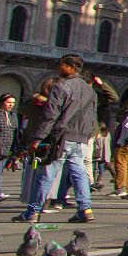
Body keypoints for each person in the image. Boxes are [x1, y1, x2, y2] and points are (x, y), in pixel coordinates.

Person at [19, 53, 98, 223]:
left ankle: (32, 211)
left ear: (70, 67)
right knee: (79, 174)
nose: (58, 68)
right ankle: (85, 209)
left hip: (61, 137)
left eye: (61, 64)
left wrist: (37, 138)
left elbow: (50, 116)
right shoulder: (89, 91)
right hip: (81, 138)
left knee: (46, 173)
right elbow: (92, 117)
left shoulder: (60, 87)